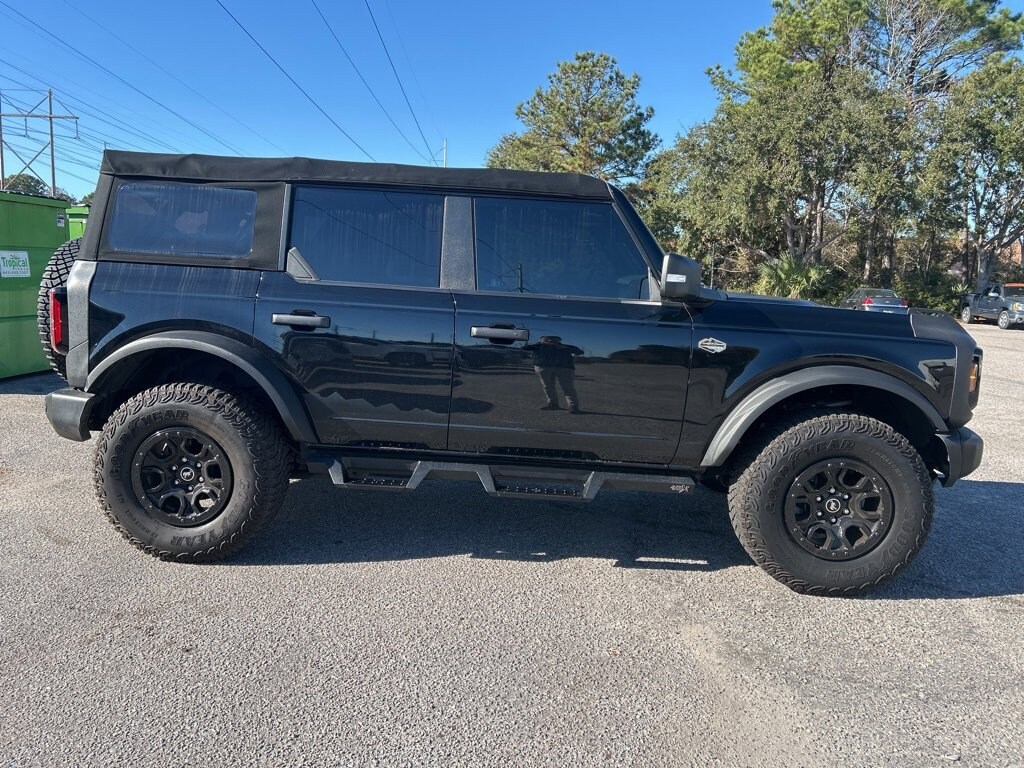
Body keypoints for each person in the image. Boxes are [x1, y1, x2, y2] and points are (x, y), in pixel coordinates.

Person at [523, 335, 583, 413]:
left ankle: (573, 407)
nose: (550, 341)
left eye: (553, 340)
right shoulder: (538, 346)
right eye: (547, 339)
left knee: (568, 387)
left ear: (558, 340)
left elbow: (580, 352)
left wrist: (565, 348)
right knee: (548, 387)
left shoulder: (565, 346)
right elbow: (524, 348)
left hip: (564, 368)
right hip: (544, 367)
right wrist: (537, 344)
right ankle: (553, 404)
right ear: (542, 340)